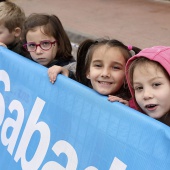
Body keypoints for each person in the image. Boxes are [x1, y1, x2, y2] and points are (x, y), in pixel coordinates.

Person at [76, 38, 141, 105]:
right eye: (98, 65)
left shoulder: (136, 104)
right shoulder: (75, 91)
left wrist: (127, 110)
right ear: (88, 72)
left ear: (126, 76)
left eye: (115, 67)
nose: (105, 74)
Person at [22, 13, 76, 80]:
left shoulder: (71, 66)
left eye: (45, 43)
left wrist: (67, 73)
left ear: (59, 43)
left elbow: (82, 80)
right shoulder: (26, 59)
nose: (38, 51)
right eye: (32, 45)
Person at [126, 46, 170, 126]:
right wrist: (125, 108)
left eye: (156, 84)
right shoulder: (134, 110)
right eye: (139, 88)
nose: (146, 95)